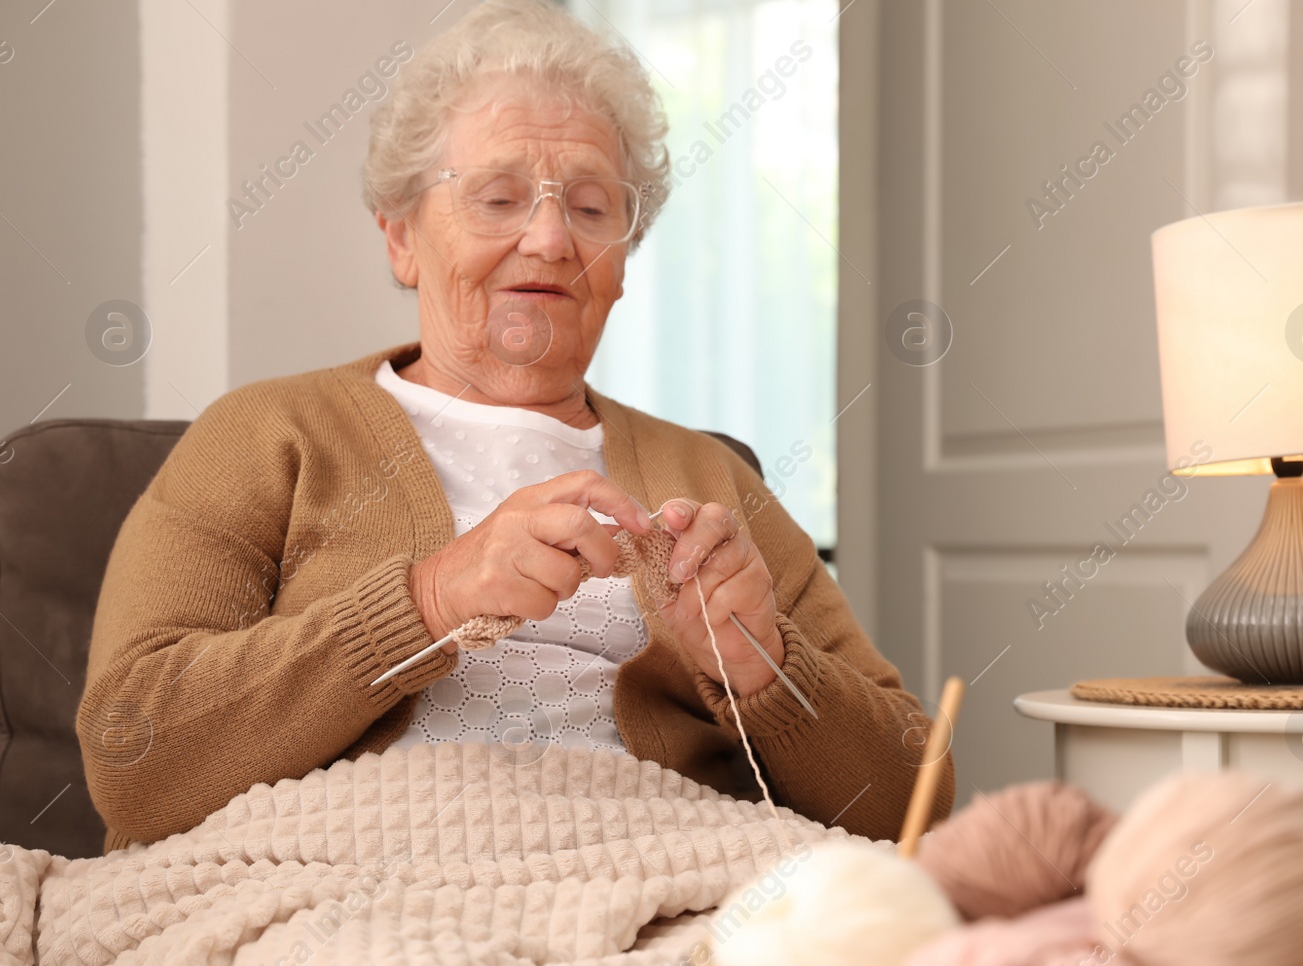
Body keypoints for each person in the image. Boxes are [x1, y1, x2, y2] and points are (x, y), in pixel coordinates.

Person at [76, 0, 953, 852]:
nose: (548, 238)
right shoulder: (268, 434)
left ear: (620, 264)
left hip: (668, 879)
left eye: (591, 207)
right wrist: (428, 601)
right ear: (401, 238)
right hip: (344, 888)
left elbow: (914, 796)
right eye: (497, 198)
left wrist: (765, 669)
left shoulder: (710, 478)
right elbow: (131, 751)